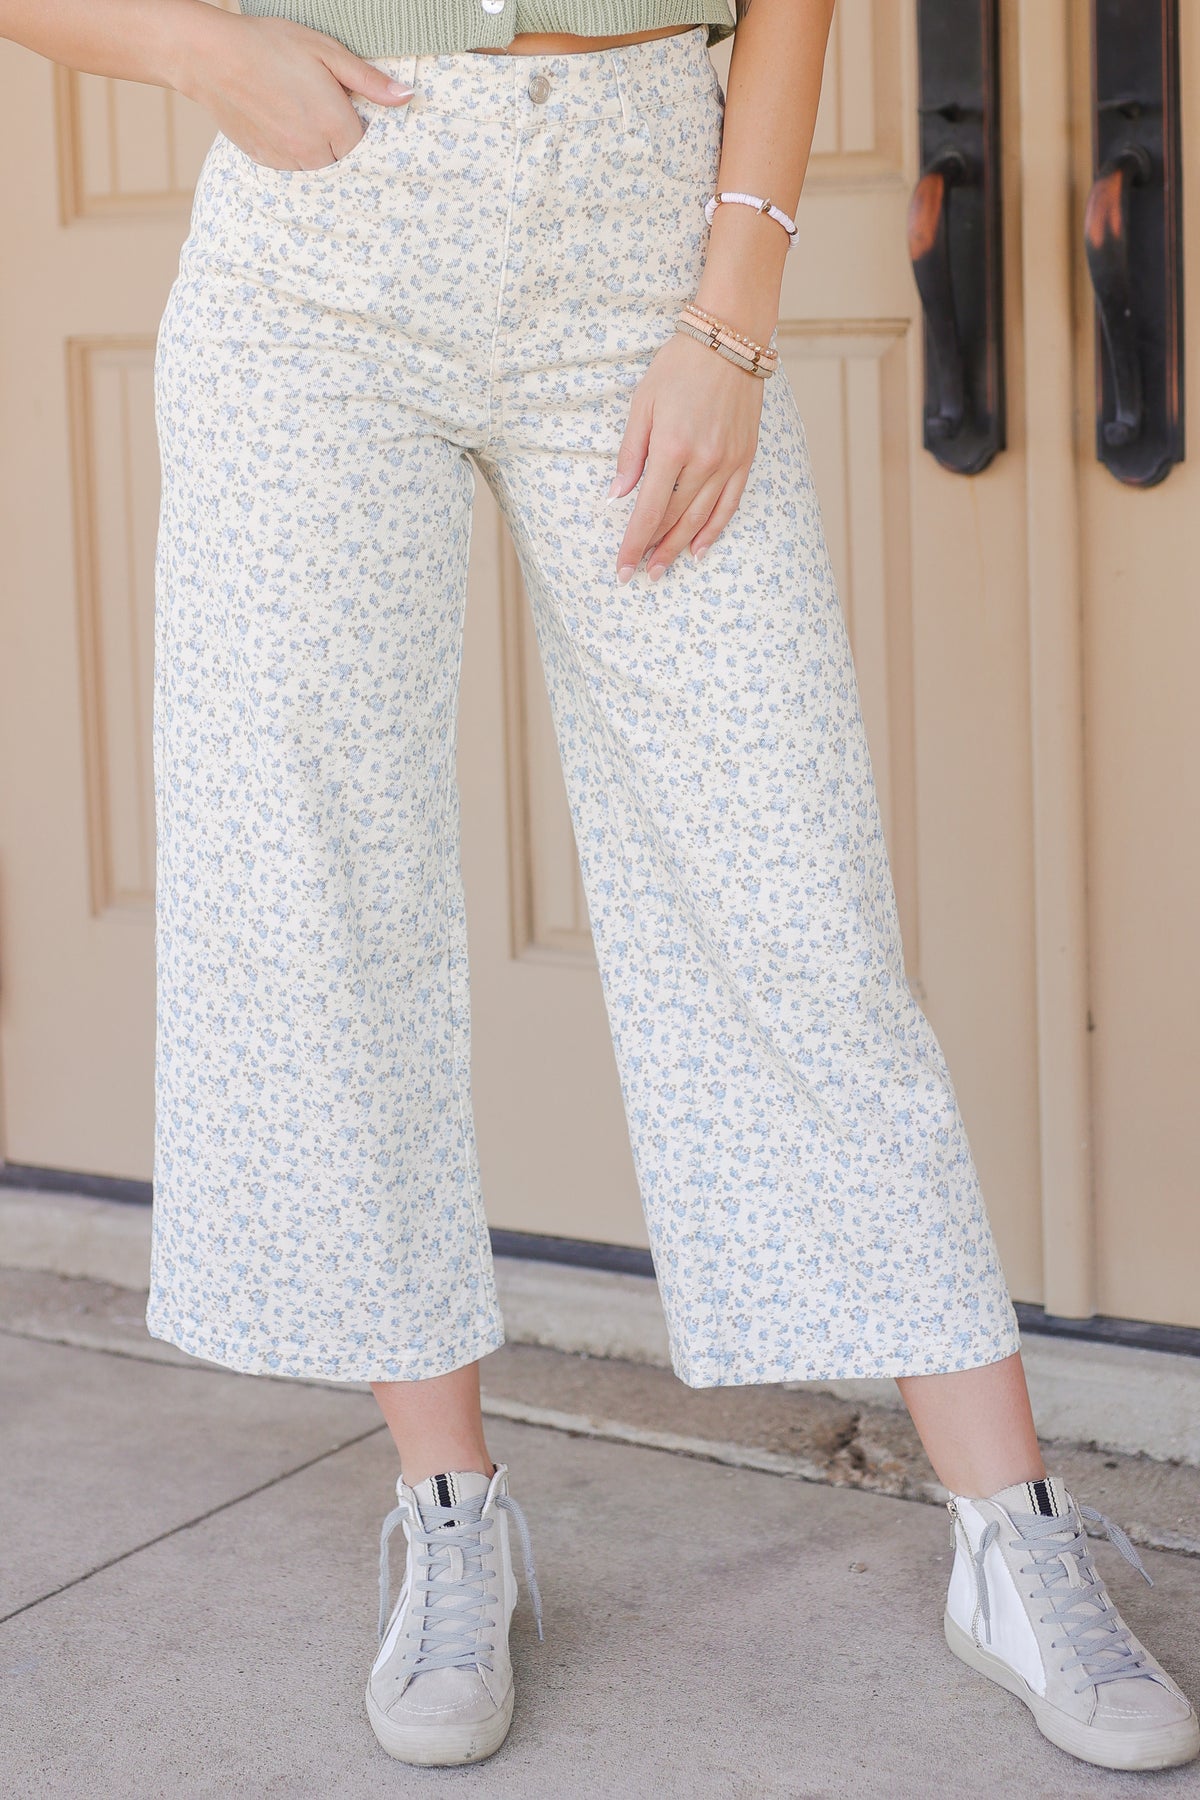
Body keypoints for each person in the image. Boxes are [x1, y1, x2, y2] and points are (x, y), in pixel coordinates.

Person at [7, 0, 1196, 1776]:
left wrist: (731, 309)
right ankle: (449, 1500)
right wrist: (192, 51)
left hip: (645, 211)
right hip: (318, 239)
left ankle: (1009, 1524)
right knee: (326, 890)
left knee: (785, 896)